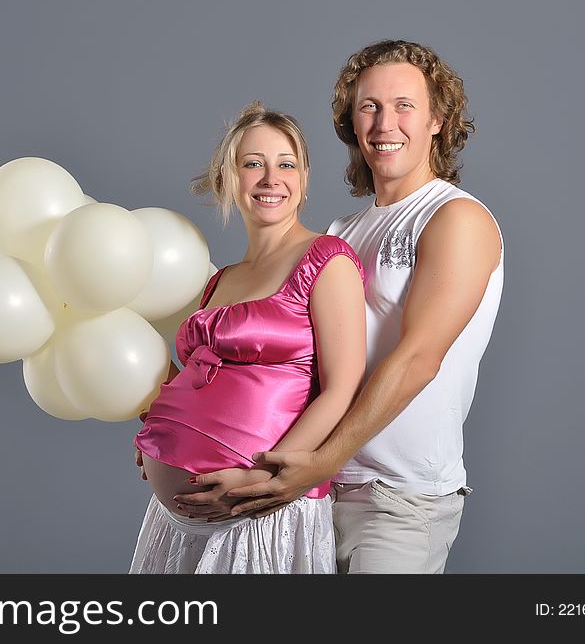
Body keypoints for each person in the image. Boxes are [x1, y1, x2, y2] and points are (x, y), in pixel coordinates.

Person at [175, 40, 504, 574]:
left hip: (398, 499)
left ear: (438, 120)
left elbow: (420, 357)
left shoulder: (455, 219)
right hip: (312, 495)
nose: (383, 123)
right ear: (351, 121)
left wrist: (317, 462)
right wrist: (173, 430)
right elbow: (284, 364)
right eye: (368, 106)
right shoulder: (340, 234)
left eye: (404, 106)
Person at [129, 101, 366, 574]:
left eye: (286, 164)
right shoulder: (220, 280)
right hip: (174, 523)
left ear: (303, 179)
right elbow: (200, 380)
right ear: (228, 178)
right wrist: (159, 433)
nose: (270, 178)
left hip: (260, 509)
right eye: (252, 164)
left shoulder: (327, 259)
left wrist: (263, 479)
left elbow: (342, 387)